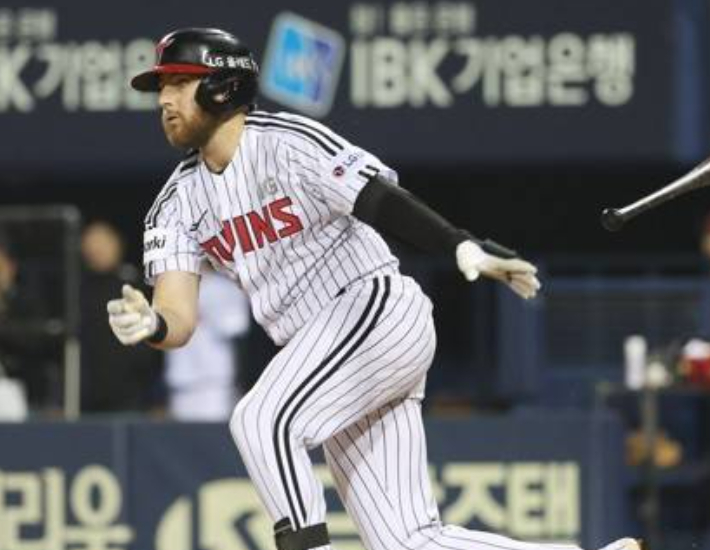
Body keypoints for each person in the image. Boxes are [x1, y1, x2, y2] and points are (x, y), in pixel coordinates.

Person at [107, 27, 637, 550]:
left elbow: (376, 197)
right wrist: (153, 323)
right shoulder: (175, 204)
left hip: (374, 310)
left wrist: (458, 244)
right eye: (162, 88)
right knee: (408, 541)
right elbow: (179, 317)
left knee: (261, 419)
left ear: (221, 87)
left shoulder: (286, 143)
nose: (164, 100)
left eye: (178, 83)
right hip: (324, 356)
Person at [80, 220, 163, 413]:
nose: (97, 249)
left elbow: (156, 343)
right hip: (88, 400)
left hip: (134, 397)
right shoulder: (78, 289)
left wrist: (158, 397)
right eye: (91, 243)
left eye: (102, 242)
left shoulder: (138, 284)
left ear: (117, 243)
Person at [165, 266, 250, 421]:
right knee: (181, 433)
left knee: (213, 432)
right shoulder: (172, 287)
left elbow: (238, 326)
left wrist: (206, 312)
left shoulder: (224, 287)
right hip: (182, 377)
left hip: (215, 381)